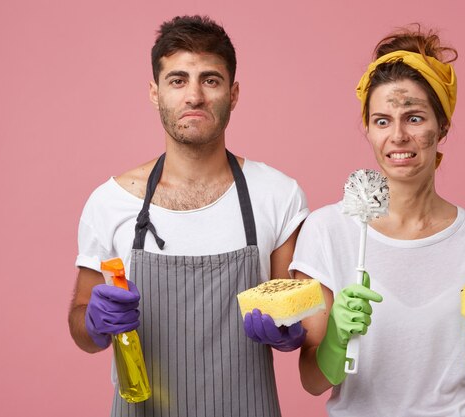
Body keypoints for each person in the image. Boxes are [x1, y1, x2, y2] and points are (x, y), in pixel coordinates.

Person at [289, 26, 465, 416]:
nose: (397, 136)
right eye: (381, 121)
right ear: (369, 130)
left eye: (413, 118)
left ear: (441, 126)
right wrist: (337, 337)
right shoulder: (328, 231)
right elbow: (312, 382)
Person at [68, 15, 309, 417]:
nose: (194, 96)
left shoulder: (278, 196)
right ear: (155, 92)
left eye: (210, 80)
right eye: (178, 80)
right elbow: (82, 333)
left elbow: (297, 313)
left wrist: (290, 330)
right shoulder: (110, 201)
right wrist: (92, 322)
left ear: (233, 94)